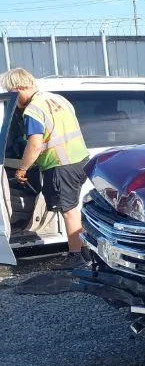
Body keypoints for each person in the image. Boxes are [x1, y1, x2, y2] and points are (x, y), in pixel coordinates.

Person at [1, 68, 90, 269]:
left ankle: (77, 257)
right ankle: (84, 252)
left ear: (19, 88)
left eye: (12, 93)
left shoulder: (33, 109)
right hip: (79, 160)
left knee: (68, 212)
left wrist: (22, 169)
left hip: (60, 164)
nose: (14, 100)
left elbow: (34, 144)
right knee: (73, 209)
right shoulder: (57, 99)